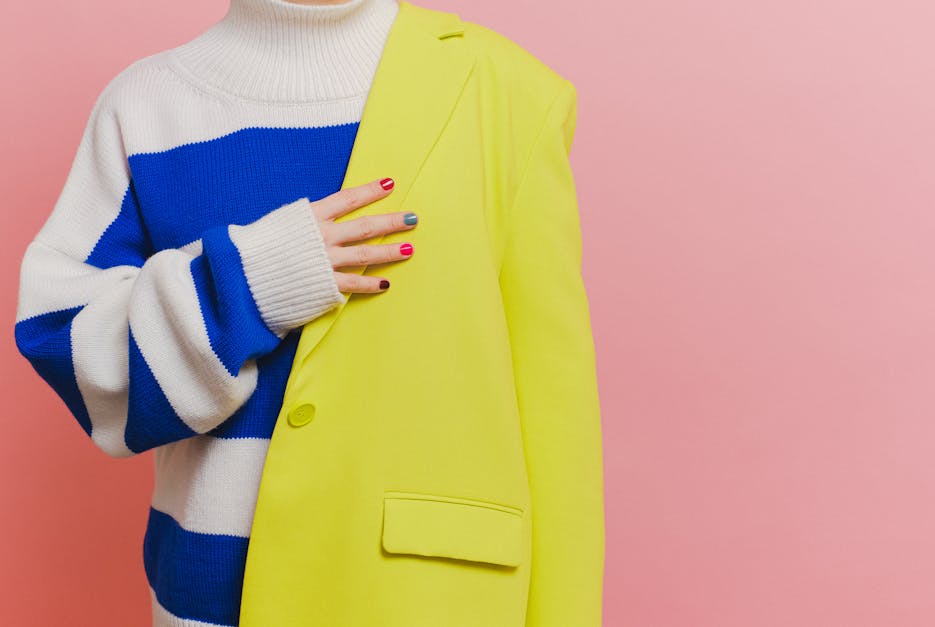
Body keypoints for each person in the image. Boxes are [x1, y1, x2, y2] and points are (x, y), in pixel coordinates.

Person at [14, 0, 605, 625]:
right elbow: (69, 349)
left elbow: (554, 415)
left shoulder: (506, 91)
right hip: (210, 598)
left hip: (428, 596)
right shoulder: (143, 106)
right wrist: (248, 284)